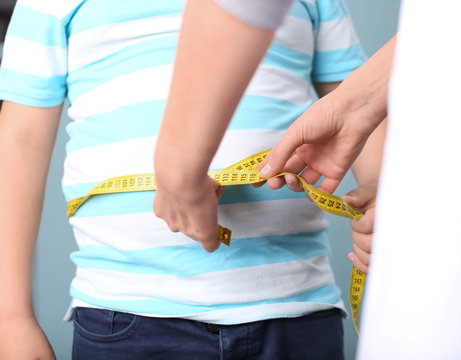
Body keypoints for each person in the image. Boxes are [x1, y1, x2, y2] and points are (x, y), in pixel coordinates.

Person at [157, 0, 461, 359]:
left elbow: (353, 93)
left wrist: (378, 192)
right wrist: (177, 175)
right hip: (125, 304)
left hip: (298, 304)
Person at [0, 0, 382, 358]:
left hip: (299, 304)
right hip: (127, 308)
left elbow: (356, 106)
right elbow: (21, 140)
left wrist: (383, 199)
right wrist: (10, 318)